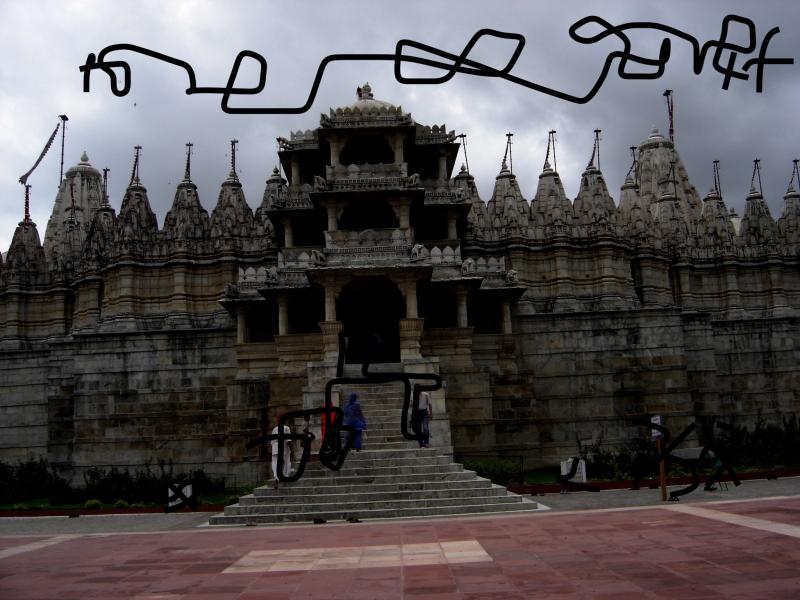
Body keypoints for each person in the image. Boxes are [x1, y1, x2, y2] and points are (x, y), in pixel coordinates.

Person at [270, 416, 292, 488]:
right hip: (284, 447)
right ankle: (285, 476)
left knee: (275, 462)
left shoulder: (274, 429)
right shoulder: (286, 428)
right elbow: (288, 440)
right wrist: (291, 449)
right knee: (286, 461)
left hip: (275, 447)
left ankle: (276, 477)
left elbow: (272, 441)